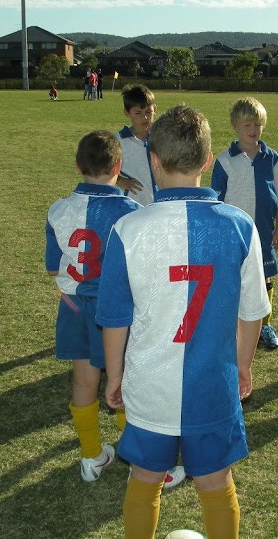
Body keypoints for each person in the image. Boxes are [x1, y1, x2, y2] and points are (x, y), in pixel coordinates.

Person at [98, 104, 270, 539]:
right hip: (211, 384)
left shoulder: (129, 229)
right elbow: (253, 311)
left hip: (149, 383)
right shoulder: (239, 226)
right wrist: (244, 366)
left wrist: (114, 376)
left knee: (145, 479)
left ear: (153, 162)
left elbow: (116, 317)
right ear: (208, 162)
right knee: (216, 485)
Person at [45, 130, 185, 489]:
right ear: (119, 168)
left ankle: (92, 455)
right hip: (119, 313)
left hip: (74, 308)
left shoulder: (59, 210)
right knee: (128, 382)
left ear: (78, 165)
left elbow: (52, 267)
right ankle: (143, 460)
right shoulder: (131, 212)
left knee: (84, 380)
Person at [211, 97, 278, 351]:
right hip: (234, 235)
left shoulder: (272, 158)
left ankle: (264, 324)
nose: (253, 130)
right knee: (235, 279)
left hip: (264, 232)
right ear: (236, 126)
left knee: (264, 279)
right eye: (247, 125)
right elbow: (216, 201)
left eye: (257, 124)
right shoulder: (224, 161)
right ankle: (233, 326)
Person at [115, 84, 157, 207]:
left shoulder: (163, 136)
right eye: (138, 113)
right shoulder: (118, 141)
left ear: (155, 109)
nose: (145, 117)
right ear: (127, 113)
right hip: (135, 205)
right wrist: (120, 180)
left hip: (163, 205)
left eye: (148, 111)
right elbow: (100, 168)